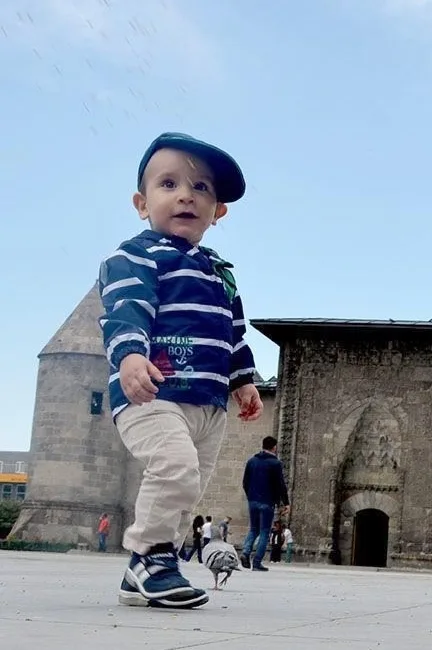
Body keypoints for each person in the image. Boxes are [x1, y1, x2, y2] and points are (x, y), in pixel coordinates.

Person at [98, 131, 263, 610]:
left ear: (219, 212)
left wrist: (243, 380)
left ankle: (147, 572)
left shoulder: (220, 272)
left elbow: (233, 331)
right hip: (155, 394)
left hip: (207, 404)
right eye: (168, 183)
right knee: (174, 468)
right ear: (141, 202)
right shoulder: (135, 256)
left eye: (202, 189)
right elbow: (127, 309)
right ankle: (149, 557)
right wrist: (130, 356)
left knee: (188, 485)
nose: (186, 195)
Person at [241, 435, 290, 571]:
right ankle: (257, 562)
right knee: (264, 532)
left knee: (253, 529)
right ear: (274, 447)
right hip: (267, 502)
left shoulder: (252, 461)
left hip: (253, 501)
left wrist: (251, 496)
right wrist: (286, 502)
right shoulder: (275, 463)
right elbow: (280, 485)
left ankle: (245, 552)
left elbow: (245, 482)